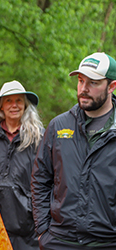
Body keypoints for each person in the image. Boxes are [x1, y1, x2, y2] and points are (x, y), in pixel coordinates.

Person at [31, 52, 116, 249]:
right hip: (60, 241)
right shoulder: (58, 126)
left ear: (112, 86)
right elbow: (40, 179)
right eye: (80, 80)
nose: (83, 89)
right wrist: (43, 231)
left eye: (93, 83)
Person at [0, 80, 43, 250]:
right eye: (8, 101)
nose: (14, 105)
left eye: (19, 100)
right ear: (1, 107)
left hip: (28, 230)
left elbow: (51, 180)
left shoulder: (39, 138)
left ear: (25, 105)